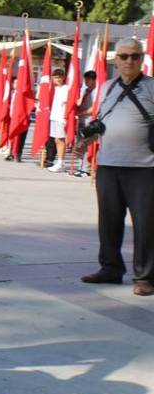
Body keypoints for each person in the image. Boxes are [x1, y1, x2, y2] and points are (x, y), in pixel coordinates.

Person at [77, 38, 154, 296]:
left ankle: (145, 277)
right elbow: (101, 123)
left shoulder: (152, 87)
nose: (129, 61)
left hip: (145, 168)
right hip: (109, 165)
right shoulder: (107, 87)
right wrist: (86, 141)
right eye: (124, 56)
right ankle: (110, 268)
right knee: (108, 221)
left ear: (142, 59)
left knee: (146, 224)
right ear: (116, 60)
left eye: (134, 56)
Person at [73, 71, 98, 177]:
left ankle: (85, 169)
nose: (86, 82)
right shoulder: (87, 91)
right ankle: (80, 167)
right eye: (85, 80)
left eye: (88, 80)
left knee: (86, 145)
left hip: (90, 122)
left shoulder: (96, 92)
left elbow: (95, 108)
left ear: (94, 79)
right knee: (80, 144)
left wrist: (81, 112)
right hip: (82, 120)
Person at [48, 69, 69, 172]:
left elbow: (67, 104)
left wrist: (65, 118)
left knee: (60, 140)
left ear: (63, 77)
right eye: (56, 77)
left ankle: (60, 162)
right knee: (56, 140)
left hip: (61, 118)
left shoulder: (66, 88)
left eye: (60, 77)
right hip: (54, 117)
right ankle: (61, 162)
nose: (58, 79)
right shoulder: (54, 89)